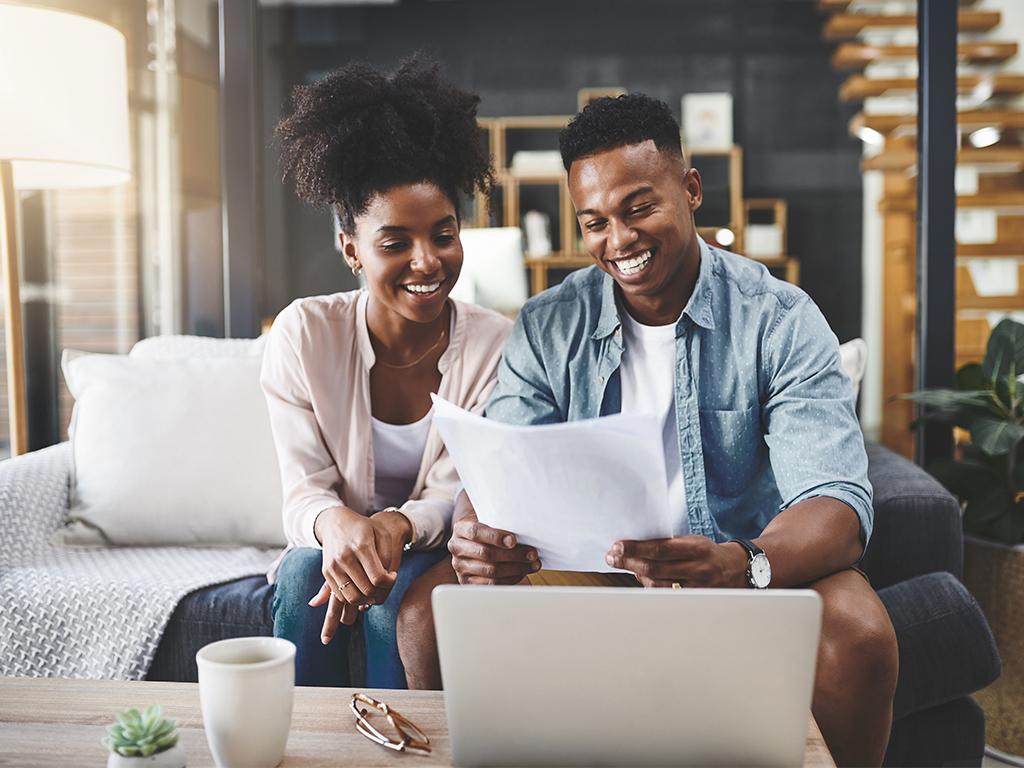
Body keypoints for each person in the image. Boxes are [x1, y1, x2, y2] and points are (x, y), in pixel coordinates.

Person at [397, 94, 898, 766]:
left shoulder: (778, 317)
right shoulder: (550, 324)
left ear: (691, 190)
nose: (620, 240)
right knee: (428, 611)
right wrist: (477, 531)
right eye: (595, 222)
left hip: (743, 567)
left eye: (639, 208)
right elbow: (501, 462)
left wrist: (741, 563)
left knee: (859, 634)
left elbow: (836, 503)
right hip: (593, 573)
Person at [262, 56, 511, 689]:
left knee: (392, 597)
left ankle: (398, 750)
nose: (427, 262)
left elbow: (457, 492)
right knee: (300, 574)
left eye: (443, 234)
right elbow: (303, 490)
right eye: (395, 242)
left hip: (429, 547)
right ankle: (303, 746)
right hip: (330, 545)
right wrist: (337, 525)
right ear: (352, 249)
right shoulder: (303, 332)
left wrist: (394, 526)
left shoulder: (495, 344)